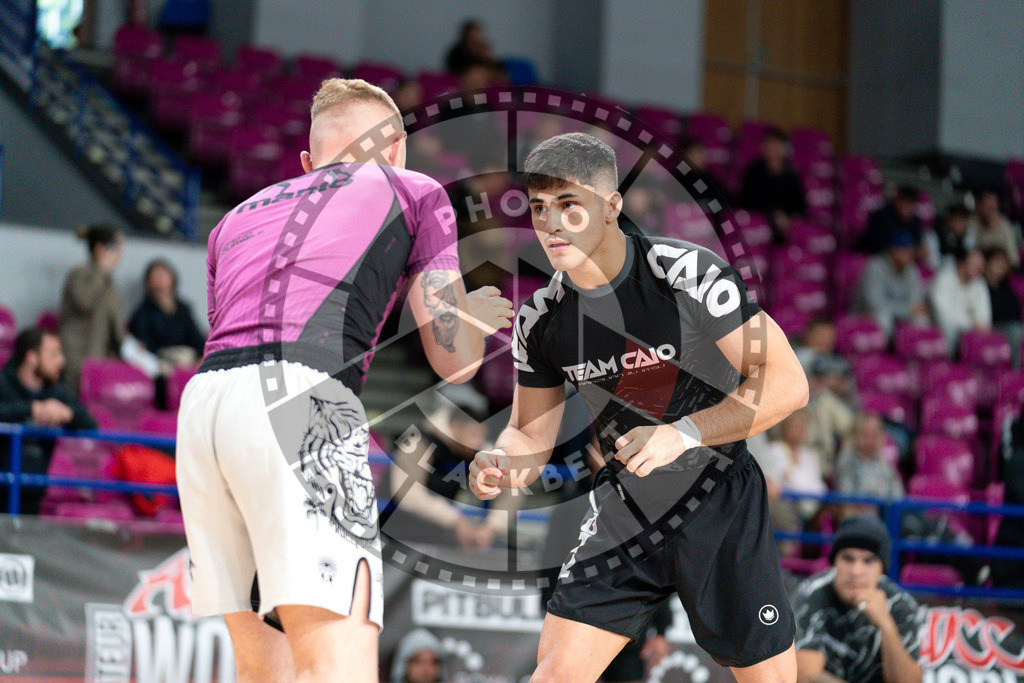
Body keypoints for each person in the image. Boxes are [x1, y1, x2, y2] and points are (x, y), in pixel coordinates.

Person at [176, 78, 513, 683]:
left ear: (309, 162)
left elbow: (236, 332)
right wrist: (476, 324)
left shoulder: (232, 219)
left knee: (263, 667)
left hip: (204, 408)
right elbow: (450, 358)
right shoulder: (413, 189)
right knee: (339, 658)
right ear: (395, 152)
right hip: (301, 400)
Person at [470, 133, 809, 682]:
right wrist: (502, 460)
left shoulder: (684, 274)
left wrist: (684, 432)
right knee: (554, 675)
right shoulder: (540, 320)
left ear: (612, 208)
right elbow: (529, 433)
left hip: (718, 503)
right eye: (538, 208)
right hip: (626, 512)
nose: (550, 223)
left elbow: (789, 383)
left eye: (569, 205)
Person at [792, 515, 923, 683]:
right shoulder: (812, 593)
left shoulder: (900, 603)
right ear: (835, 562)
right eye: (848, 558)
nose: (856, 571)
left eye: (868, 561)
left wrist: (886, 625)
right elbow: (806, 675)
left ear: (881, 569)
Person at [386, 384, 509, 548]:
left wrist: (492, 527)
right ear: (455, 428)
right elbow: (408, 495)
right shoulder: (418, 443)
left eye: (482, 435)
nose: (479, 441)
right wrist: (455, 520)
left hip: (437, 534)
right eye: (474, 435)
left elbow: (510, 486)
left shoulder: (476, 448)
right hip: (394, 530)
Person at [0, 328, 97, 514]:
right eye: (53, 354)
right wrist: (32, 409)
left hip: (32, 499)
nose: (61, 360)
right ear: (31, 357)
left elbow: (91, 426)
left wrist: (69, 414)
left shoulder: (57, 391)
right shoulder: (3, 383)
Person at [59, 223, 125, 390]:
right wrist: (101, 271)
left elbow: (115, 323)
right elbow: (84, 301)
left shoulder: (108, 280)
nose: (120, 254)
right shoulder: (79, 274)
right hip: (76, 354)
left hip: (99, 355)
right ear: (100, 248)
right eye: (116, 247)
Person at [756, 409, 827, 553]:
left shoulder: (809, 455)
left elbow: (820, 487)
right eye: (795, 426)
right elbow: (789, 484)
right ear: (784, 427)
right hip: (785, 511)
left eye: (802, 427)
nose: (799, 431)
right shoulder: (774, 451)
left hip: (810, 510)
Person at [129, 259, 206, 366]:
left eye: (163, 275)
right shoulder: (142, 313)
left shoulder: (183, 309)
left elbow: (198, 340)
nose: (159, 280)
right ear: (148, 282)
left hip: (186, 359)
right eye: (155, 276)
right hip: (159, 363)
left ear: (172, 279)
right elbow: (145, 346)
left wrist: (200, 357)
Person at [853, 231, 928, 337]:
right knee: (883, 317)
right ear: (891, 250)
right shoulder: (875, 267)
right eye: (902, 249)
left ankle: (914, 352)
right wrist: (907, 309)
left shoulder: (911, 269)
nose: (907, 254)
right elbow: (874, 304)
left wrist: (910, 309)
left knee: (921, 319)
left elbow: (916, 302)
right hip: (865, 314)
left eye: (909, 250)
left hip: (897, 313)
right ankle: (883, 351)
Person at [738, 127, 806, 242]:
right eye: (768, 144)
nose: (771, 148)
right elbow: (749, 200)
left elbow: (799, 205)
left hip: (785, 222)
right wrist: (773, 214)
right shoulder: (753, 172)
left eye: (775, 144)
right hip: (761, 222)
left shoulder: (791, 175)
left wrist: (790, 217)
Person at [833, 412, 903, 518]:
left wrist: (882, 503)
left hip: (883, 516)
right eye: (866, 434)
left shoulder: (884, 463)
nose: (871, 439)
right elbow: (846, 497)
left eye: (875, 434)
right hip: (857, 518)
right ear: (856, 435)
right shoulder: (847, 460)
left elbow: (898, 494)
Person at [928, 246, 991, 351]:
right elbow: (944, 317)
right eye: (974, 264)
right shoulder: (943, 279)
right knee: (949, 330)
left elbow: (984, 319)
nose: (979, 268)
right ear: (961, 263)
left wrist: (976, 326)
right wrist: (971, 324)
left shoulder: (980, 284)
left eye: (981, 265)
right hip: (940, 330)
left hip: (968, 334)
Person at [857, 185, 924, 255]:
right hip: (875, 257)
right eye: (903, 201)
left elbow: (916, 243)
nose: (905, 206)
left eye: (909, 203)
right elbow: (874, 243)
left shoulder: (915, 221)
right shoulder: (881, 215)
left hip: (903, 259)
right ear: (896, 201)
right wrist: (897, 250)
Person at [985, 246, 1023, 365]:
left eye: (1004, 261)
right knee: (1016, 331)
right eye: (997, 260)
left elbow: (1015, 312)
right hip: (991, 326)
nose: (1002, 264)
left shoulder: (1006, 287)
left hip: (1010, 325)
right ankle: (1017, 374)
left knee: (1016, 329)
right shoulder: (981, 286)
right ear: (987, 263)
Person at [968, 189, 1020, 268]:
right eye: (987, 206)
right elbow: (970, 251)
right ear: (979, 205)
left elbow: (1014, 259)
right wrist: (988, 229)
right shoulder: (972, 222)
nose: (990, 211)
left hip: (1000, 272)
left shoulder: (1005, 225)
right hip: (977, 269)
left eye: (993, 208)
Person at [923, 203, 970, 268]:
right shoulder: (932, 235)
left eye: (964, 221)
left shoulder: (965, 238)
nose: (962, 225)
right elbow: (933, 263)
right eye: (958, 220)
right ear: (949, 220)